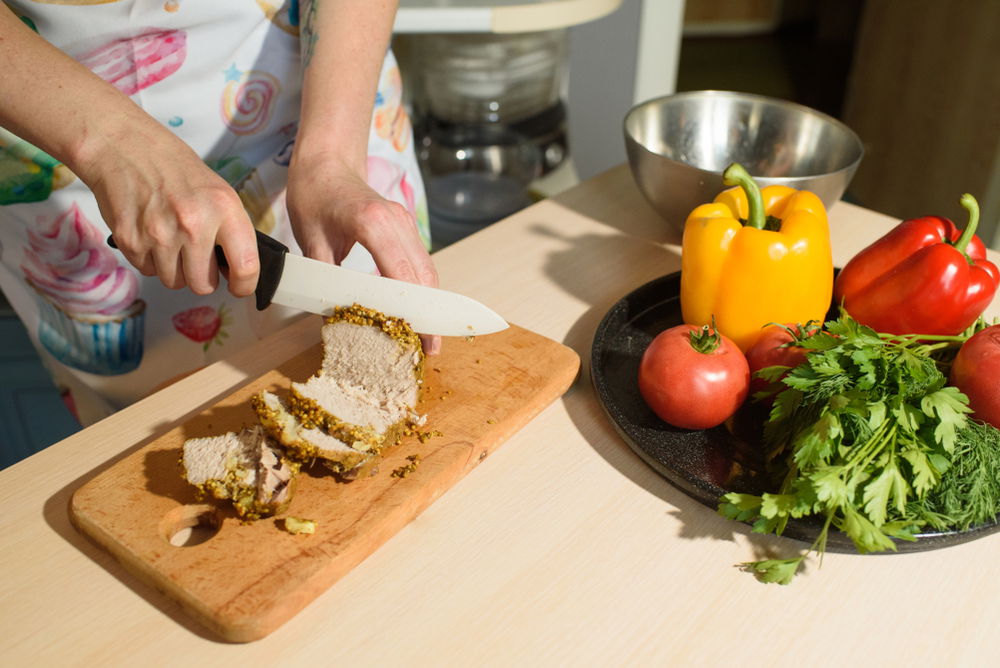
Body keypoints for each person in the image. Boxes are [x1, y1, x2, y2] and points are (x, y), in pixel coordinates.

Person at [0, 0, 438, 426]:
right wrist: (111, 144)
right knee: (141, 439)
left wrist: (332, 156)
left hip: (332, 99)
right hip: (61, 141)